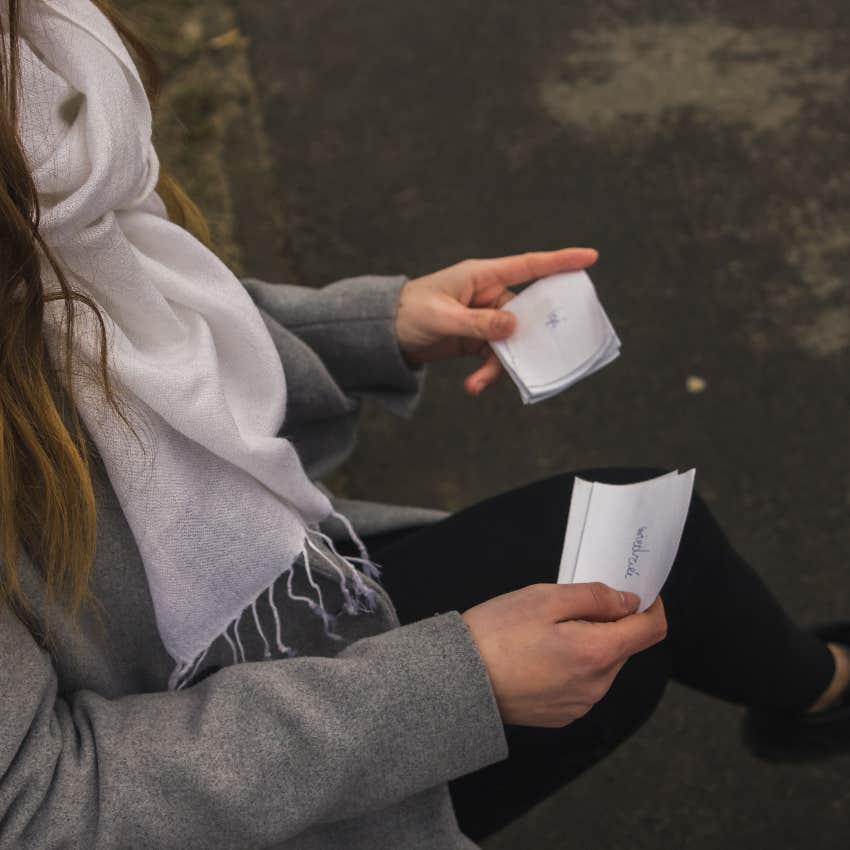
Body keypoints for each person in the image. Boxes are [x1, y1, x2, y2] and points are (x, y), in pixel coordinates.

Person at [0, 2, 848, 848]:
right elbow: (42, 809)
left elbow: (121, 332)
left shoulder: (51, 63)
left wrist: (380, 322)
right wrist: (452, 691)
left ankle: (821, 696)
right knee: (643, 599)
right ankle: (827, 695)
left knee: (651, 574)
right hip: (227, 759)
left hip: (287, 596)